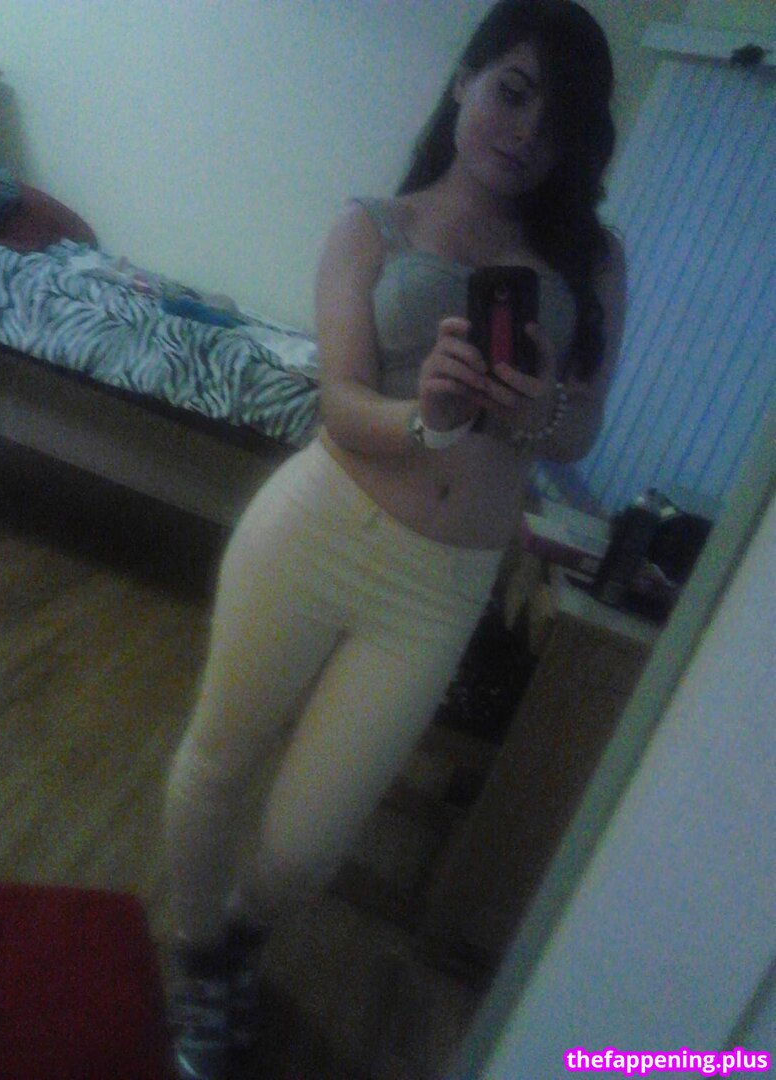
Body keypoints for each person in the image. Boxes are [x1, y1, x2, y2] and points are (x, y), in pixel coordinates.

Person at [164, 1, 626, 1076]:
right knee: (219, 760)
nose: (526, 130)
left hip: (440, 587)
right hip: (315, 528)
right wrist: (431, 416)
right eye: (512, 91)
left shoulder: (591, 260)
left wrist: (538, 411)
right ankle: (201, 964)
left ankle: (239, 934)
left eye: (556, 117)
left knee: (307, 844)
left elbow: (583, 427)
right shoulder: (371, 227)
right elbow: (338, 402)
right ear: (465, 81)